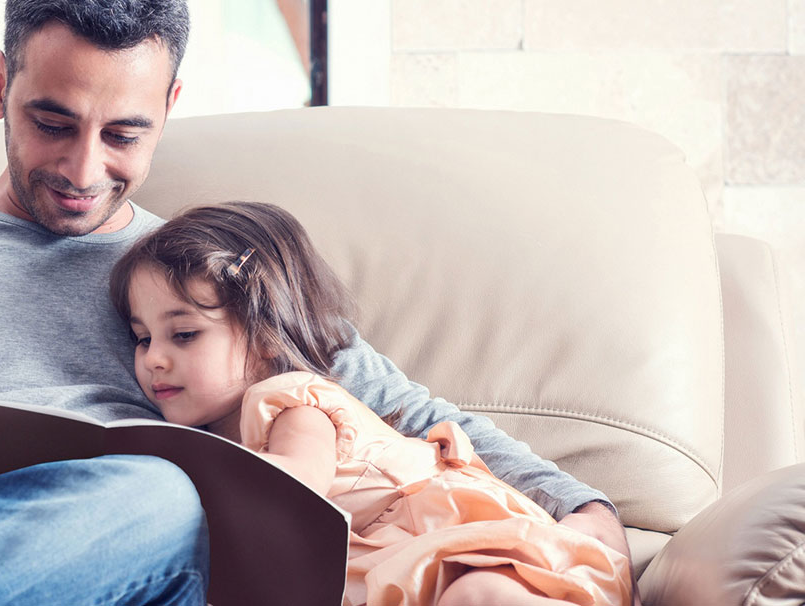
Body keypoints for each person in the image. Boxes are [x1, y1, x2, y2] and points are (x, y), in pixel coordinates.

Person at [0, 0, 635, 604]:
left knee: (165, 487)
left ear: (170, 106)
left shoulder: (207, 276)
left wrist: (583, 509)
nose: (84, 170)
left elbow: (408, 412)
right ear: (0, 81)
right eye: (52, 120)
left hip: (171, 576)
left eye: (124, 134)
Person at [108, 201, 633, 606]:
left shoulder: (292, 402)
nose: (154, 359)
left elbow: (291, 485)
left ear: (267, 338)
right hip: (406, 573)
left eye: (184, 334)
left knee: (481, 598)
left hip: (466, 551)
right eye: (141, 338)